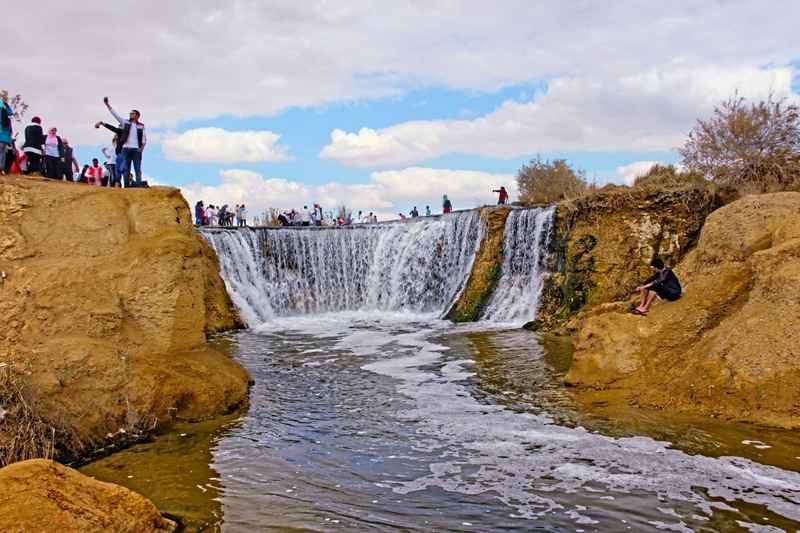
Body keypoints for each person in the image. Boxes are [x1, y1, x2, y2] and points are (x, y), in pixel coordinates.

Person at [104, 97, 146, 186]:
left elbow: (144, 138)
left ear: (137, 116)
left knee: (137, 168)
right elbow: (116, 115)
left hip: (136, 150)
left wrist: (141, 149)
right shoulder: (125, 122)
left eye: (133, 114)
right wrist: (108, 105)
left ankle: (138, 186)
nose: (130, 115)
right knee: (126, 168)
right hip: (126, 149)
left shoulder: (141, 126)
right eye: (130, 113)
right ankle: (127, 186)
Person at [0, 94, 13, 175]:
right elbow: (11, 113)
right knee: (2, 152)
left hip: (3, 134)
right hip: (4, 135)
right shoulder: (6, 108)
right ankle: (1, 169)